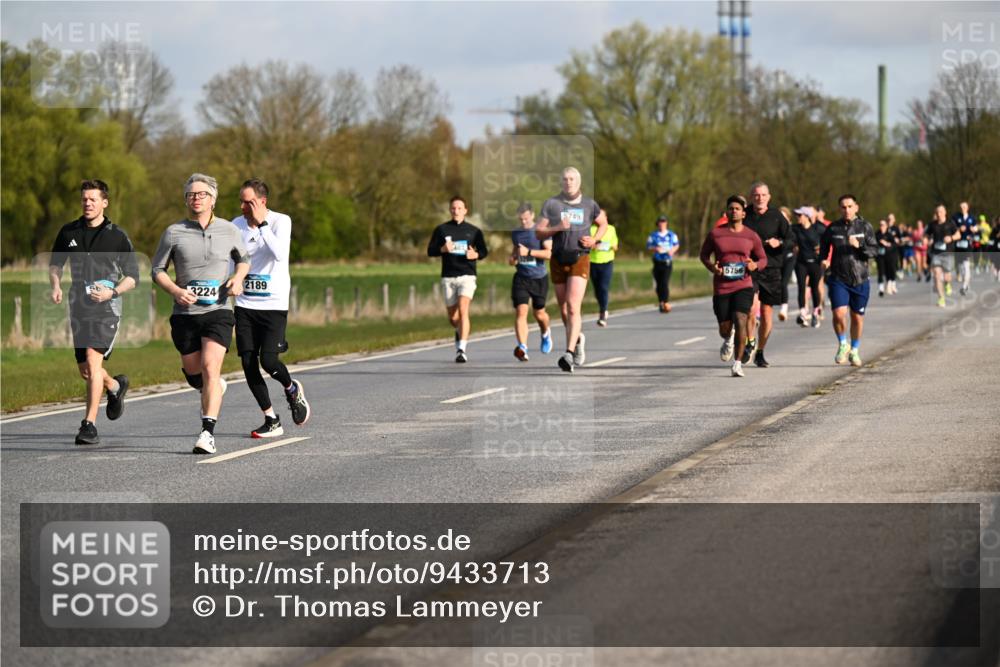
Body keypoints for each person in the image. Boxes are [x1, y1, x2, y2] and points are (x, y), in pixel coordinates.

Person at [151, 173, 250, 454]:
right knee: (196, 374)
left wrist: (238, 278)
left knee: (209, 366)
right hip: (185, 313)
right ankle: (212, 386)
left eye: (201, 194)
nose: (196, 198)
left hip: (218, 310)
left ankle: (207, 433)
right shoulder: (173, 232)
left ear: (213, 199)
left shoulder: (229, 229)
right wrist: (175, 291)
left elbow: (243, 259)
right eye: (191, 195)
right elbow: (157, 270)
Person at [49, 179, 139, 445]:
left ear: (104, 202)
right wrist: (55, 286)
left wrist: (112, 292)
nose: (87, 203)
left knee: (92, 359)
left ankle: (88, 425)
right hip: (78, 306)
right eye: (84, 199)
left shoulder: (117, 236)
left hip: (107, 309)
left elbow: (133, 277)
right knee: (87, 372)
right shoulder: (68, 232)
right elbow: (56, 266)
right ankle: (114, 386)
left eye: (93, 199)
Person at [231, 178, 311, 438]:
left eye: (249, 202)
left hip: (273, 303)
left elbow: (279, 254)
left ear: (262, 201)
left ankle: (291, 389)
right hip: (245, 303)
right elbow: (232, 258)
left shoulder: (280, 221)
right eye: (241, 201)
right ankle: (270, 418)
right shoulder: (235, 224)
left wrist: (261, 224)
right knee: (247, 361)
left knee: (269, 360)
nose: (243, 206)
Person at [535, 167, 607, 373]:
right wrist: (557, 227)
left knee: (573, 306)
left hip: (580, 257)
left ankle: (568, 353)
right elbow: (539, 232)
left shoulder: (589, 204)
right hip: (558, 259)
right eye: (565, 179)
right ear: (561, 182)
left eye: (572, 179)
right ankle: (578, 339)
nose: (568, 182)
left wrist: (594, 240)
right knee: (564, 309)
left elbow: (603, 223)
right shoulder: (552, 204)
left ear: (579, 181)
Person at [699, 194, 767, 377]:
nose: (734, 211)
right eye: (731, 208)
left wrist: (755, 265)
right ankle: (728, 339)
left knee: (741, 319)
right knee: (725, 328)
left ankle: (737, 363)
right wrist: (713, 268)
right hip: (722, 287)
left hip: (743, 285)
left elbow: (763, 258)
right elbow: (704, 255)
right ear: (726, 212)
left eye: (737, 209)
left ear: (744, 214)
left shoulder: (751, 235)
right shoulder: (716, 234)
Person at [427, 195, 489, 363]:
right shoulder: (441, 230)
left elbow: (484, 252)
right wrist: (443, 249)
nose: (456, 211)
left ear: (465, 211)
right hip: (448, 277)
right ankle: (459, 330)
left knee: (463, 310)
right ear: (450, 210)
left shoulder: (474, 231)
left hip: (467, 276)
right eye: (453, 208)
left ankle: (461, 349)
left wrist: (475, 254)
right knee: (453, 318)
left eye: (459, 208)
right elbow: (430, 251)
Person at [820, 194, 877, 367]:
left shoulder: (865, 226)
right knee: (838, 314)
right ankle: (843, 344)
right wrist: (823, 260)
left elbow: (874, 251)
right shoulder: (833, 228)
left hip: (860, 278)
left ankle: (854, 350)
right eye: (843, 207)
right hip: (838, 277)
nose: (847, 210)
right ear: (839, 209)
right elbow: (823, 249)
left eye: (850, 206)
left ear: (856, 207)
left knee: (857, 318)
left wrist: (859, 246)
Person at [742, 181, 794, 368]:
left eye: (763, 195)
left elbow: (791, 240)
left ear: (769, 197)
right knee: (750, 308)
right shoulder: (744, 215)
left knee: (766, 313)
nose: (760, 198)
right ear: (751, 197)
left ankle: (761, 351)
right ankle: (750, 342)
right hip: (749, 268)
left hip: (772, 268)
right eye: (756, 195)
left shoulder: (777, 217)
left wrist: (779, 242)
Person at [508, 202, 553, 361]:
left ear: (532, 216)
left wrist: (529, 252)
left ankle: (546, 333)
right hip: (521, 277)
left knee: (539, 313)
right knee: (521, 312)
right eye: (521, 220)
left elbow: (549, 254)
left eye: (526, 219)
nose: (524, 222)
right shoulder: (516, 233)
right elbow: (515, 253)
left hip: (539, 278)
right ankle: (523, 347)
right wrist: (513, 259)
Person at [791, 205, 823, 328]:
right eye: (796, 215)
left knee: (815, 288)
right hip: (801, 263)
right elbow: (786, 235)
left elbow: (828, 240)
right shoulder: (795, 229)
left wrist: (822, 251)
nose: (797, 217)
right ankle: (803, 313)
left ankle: (815, 313)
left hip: (815, 263)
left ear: (807, 216)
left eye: (800, 215)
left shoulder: (818, 229)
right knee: (801, 287)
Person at [589, 211, 619, 326]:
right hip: (593, 262)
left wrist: (604, 245)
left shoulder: (611, 229)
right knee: (597, 290)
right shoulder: (590, 229)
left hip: (607, 262)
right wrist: (593, 245)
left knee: (603, 287)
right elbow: (586, 244)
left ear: (605, 217)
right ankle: (602, 307)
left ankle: (603, 312)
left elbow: (615, 246)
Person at [927, 204, 960, 308]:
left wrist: (951, 238)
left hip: (948, 253)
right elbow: (927, 234)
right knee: (937, 275)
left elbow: (958, 235)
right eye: (937, 212)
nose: (939, 214)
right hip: (936, 253)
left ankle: (948, 284)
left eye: (940, 212)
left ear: (945, 212)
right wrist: (927, 239)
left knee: (947, 276)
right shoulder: (932, 224)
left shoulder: (950, 223)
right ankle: (941, 298)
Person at [647, 215, 680, 313]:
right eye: (660, 222)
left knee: (664, 283)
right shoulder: (653, 235)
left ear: (666, 223)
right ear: (658, 224)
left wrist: (672, 251)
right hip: (657, 261)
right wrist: (655, 248)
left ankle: (666, 302)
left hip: (667, 261)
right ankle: (661, 301)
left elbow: (676, 245)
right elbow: (648, 246)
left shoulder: (671, 235)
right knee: (658, 284)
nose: (662, 224)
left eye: (664, 222)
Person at [952, 201, 978, 295]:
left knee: (966, 265)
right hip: (958, 244)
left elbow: (976, 228)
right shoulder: (955, 217)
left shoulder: (972, 218)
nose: (962, 208)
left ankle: (964, 286)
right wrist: (959, 229)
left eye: (964, 207)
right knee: (960, 266)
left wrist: (973, 229)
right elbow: (951, 228)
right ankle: (966, 282)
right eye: (961, 207)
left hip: (967, 244)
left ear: (968, 208)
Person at [777, 206, 796, 322]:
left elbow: (792, 242)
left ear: (788, 218)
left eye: (784, 216)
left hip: (789, 257)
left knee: (784, 283)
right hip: (777, 259)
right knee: (777, 283)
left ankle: (784, 308)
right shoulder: (773, 229)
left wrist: (780, 243)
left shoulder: (791, 229)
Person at [874, 218, 899, 297]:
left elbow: (894, 244)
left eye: (883, 225)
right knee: (880, 271)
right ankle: (881, 289)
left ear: (886, 226)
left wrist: (887, 244)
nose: (881, 226)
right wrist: (879, 243)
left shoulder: (889, 234)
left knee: (889, 270)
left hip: (889, 255)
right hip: (880, 256)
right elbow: (873, 243)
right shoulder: (877, 234)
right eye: (880, 225)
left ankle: (890, 284)